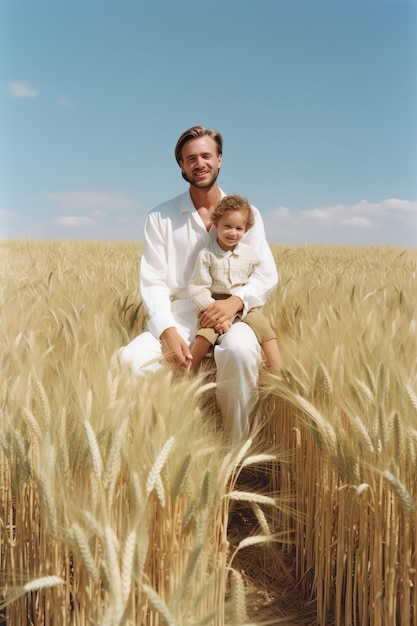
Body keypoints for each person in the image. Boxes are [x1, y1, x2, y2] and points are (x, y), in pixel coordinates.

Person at [119, 125, 278, 443]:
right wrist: (166, 330)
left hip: (233, 314)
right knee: (129, 361)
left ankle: (237, 452)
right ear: (181, 165)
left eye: (206, 155)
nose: (199, 163)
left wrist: (236, 302)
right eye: (190, 158)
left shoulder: (248, 214)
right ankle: (149, 450)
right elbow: (152, 280)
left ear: (219, 160)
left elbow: (266, 274)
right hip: (178, 315)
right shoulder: (160, 217)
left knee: (241, 352)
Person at [188, 193, 282, 374]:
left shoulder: (250, 253)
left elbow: (263, 275)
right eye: (227, 226)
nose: (233, 232)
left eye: (239, 228)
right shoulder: (207, 254)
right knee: (205, 335)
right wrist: (212, 310)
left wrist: (243, 300)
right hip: (215, 301)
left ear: (246, 230)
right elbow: (197, 286)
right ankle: (189, 369)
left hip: (243, 302)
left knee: (264, 328)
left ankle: (278, 372)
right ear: (216, 225)